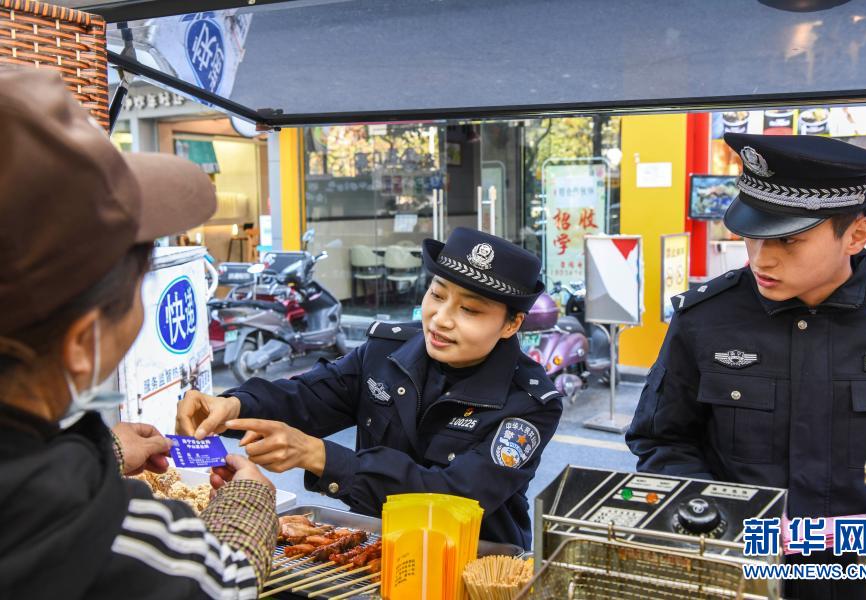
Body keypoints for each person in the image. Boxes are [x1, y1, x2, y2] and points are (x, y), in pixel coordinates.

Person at [0, 70, 278, 598]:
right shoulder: (76, 524)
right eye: (136, 289)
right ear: (82, 344)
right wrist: (248, 503)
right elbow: (221, 582)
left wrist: (102, 448)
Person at [626, 133, 866, 600]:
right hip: (743, 572)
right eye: (752, 235)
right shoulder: (706, 319)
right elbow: (662, 440)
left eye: (789, 240)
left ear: (855, 235)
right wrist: (722, 514)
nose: (761, 258)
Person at [177, 227, 564, 548]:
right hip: (376, 545)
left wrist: (319, 455)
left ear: (511, 324)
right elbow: (309, 396)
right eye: (437, 294)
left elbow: (454, 497)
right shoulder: (386, 350)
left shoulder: (530, 402)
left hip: (475, 560)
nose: (440, 319)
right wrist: (234, 406)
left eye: (470, 310)